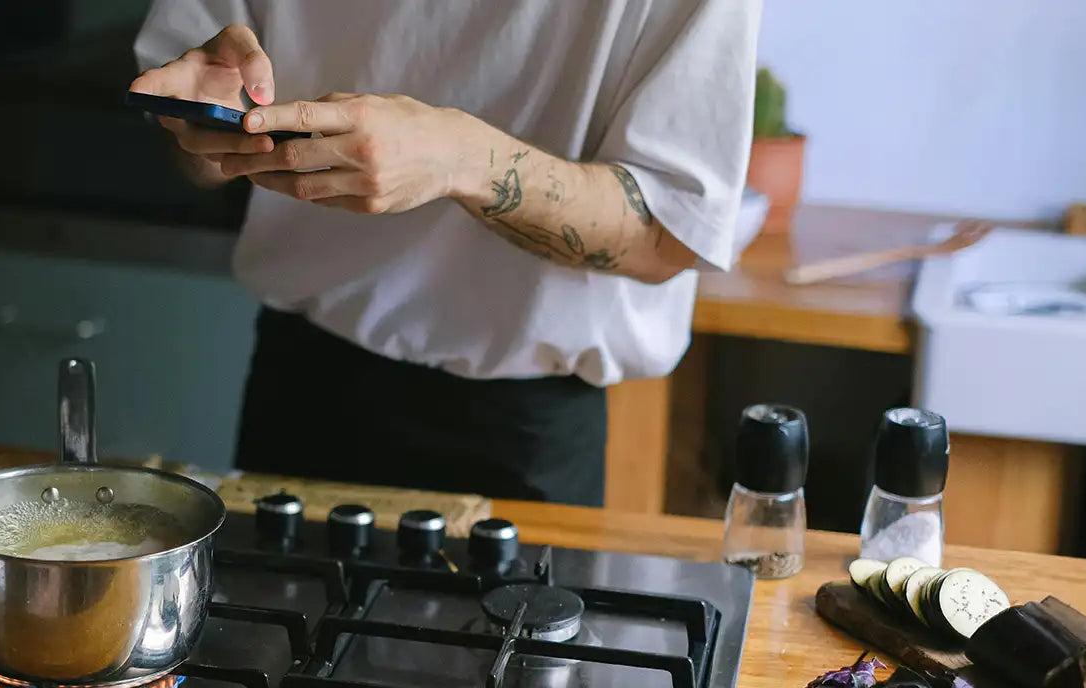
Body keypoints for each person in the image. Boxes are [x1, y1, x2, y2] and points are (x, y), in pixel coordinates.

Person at [131, 1, 759, 506]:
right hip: (298, 386)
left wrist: (459, 157)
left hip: (521, 435)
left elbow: (668, 235)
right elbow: (191, 139)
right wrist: (205, 117)